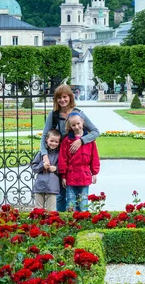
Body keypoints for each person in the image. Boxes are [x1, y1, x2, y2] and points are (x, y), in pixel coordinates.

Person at [40, 84, 100, 212]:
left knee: (79, 194)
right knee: (61, 193)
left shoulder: (78, 114)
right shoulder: (54, 114)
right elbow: (45, 135)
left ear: (70, 97)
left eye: (65, 97)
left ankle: (80, 218)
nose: (62, 100)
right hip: (59, 157)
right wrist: (44, 154)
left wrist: (81, 141)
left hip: (77, 157)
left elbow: (95, 132)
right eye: (59, 98)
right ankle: (62, 219)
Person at [58, 113, 100, 212]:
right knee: (71, 202)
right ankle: (71, 222)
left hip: (84, 175)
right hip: (71, 176)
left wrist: (94, 173)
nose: (76, 127)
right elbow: (62, 159)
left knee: (83, 202)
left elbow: (94, 158)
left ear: (83, 122)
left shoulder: (90, 141)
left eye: (78, 123)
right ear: (70, 126)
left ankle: (84, 222)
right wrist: (63, 176)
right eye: (73, 125)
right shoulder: (67, 141)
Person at [30, 129, 61, 211]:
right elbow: (34, 167)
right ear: (47, 139)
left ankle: (51, 223)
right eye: (51, 141)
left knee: (52, 210)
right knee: (38, 210)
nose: (53, 143)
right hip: (40, 185)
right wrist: (42, 166)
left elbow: (63, 168)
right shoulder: (41, 154)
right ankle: (38, 223)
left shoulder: (59, 155)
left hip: (52, 186)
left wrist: (56, 168)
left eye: (56, 142)